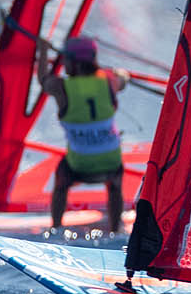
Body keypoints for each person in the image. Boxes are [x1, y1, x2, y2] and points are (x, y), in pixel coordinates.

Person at [35, 36, 131, 232]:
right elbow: (124, 77)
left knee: (62, 174)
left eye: (66, 60)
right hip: (110, 163)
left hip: (79, 165)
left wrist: (43, 51)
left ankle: (56, 227)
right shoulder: (109, 81)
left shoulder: (62, 87)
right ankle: (116, 227)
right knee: (115, 180)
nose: (63, 64)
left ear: (76, 64)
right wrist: (116, 72)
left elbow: (44, 80)